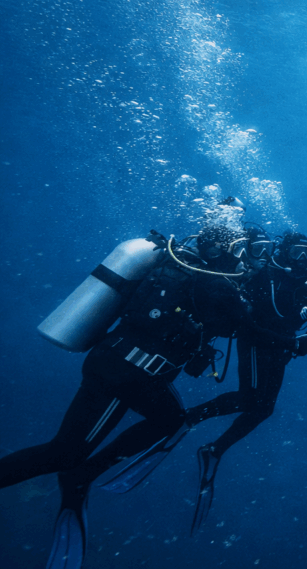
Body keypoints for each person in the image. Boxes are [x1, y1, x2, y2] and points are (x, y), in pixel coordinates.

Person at [0, 201, 254, 569]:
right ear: (225, 250)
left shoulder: (178, 264)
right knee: (72, 450)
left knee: (73, 446)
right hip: (129, 373)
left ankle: (81, 473)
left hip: (117, 364)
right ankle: (81, 474)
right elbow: (238, 325)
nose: (243, 259)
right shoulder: (212, 283)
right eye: (240, 250)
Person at [183, 229, 307, 532]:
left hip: (281, 346)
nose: (303, 259)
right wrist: (294, 337)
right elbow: (271, 315)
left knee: (264, 409)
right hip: (256, 341)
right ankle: (187, 419)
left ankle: (213, 450)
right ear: (282, 253)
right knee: (249, 399)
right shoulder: (268, 275)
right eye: (297, 253)